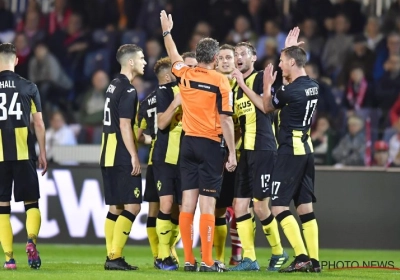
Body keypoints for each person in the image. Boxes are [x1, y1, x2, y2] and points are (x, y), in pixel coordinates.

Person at [160, 10, 236, 272]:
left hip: (188, 143)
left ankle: (190, 261)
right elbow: (226, 120)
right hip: (211, 145)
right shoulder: (221, 81)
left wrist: (167, 32)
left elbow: (174, 56)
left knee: (187, 203)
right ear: (215, 58)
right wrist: (233, 154)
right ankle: (207, 260)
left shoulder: (185, 74)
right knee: (208, 203)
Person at [244, 27, 320, 273]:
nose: (279, 66)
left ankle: (301, 257)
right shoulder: (313, 86)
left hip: (289, 151)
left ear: (291, 63)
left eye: (282, 61)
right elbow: (297, 70)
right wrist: (291, 48)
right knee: (305, 208)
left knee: (277, 206)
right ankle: (314, 261)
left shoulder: (288, 91)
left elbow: (267, 107)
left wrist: (266, 85)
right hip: (307, 150)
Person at [228, 41, 287, 271]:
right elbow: (238, 124)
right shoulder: (234, 87)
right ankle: (249, 259)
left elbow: (265, 107)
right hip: (247, 151)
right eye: (235, 54)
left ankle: (278, 252)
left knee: (261, 207)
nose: (238, 57)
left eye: (243, 53)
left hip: (264, 147)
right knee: (239, 205)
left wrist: (242, 84)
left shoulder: (262, 76)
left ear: (253, 58)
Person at [0, 43, 47, 270]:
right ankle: (31, 240)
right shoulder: (28, 87)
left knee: (2, 207)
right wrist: (43, 152)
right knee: (32, 203)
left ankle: (9, 259)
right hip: (24, 152)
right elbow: (38, 122)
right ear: (16, 61)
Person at [100, 44, 146, 271]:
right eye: (141, 58)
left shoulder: (112, 86)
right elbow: (125, 124)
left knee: (115, 207)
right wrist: (134, 155)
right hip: (120, 154)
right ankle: (115, 257)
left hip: (107, 153)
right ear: (130, 62)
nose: (144, 62)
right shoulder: (128, 89)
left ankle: (111, 255)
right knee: (134, 206)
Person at [150, 57, 183, 270]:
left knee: (180, 210)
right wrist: (176, 103)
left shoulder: (192, 90)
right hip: (164, 157)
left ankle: (170, 251)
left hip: (186, 158)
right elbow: (161, 123)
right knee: (166, 204)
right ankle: (162, 256)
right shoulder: (164, 91)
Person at [214, 43, 242, 266]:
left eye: (229, 58)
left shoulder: (242, 85)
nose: (225, 61)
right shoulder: (211, 83)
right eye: (221, 58)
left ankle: (240, 254)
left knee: (243, 205)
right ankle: (220, 257)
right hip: (217, 151)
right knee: (220, 207)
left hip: (242, 152)